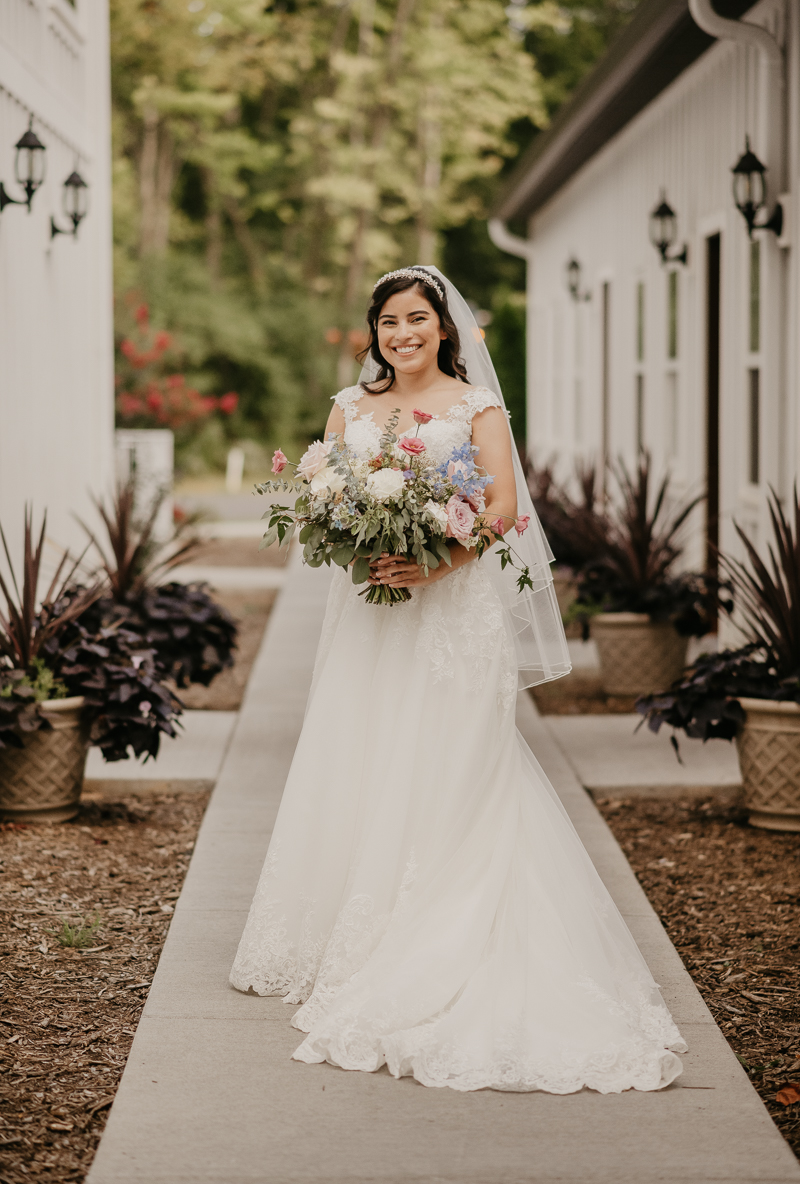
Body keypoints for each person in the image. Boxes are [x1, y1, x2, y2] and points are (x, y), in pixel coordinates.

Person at [230, 266, 686, 1093]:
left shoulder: (478, 409)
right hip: (374, 613)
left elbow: (504, 506)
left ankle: (454, 932)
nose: (402, 334)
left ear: (445, 328)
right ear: (373, 332)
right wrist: (362, 542)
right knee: (367, 753)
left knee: (456, 765)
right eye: (387, 322)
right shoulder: (349, 406)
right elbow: (323, 496)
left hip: (450, 614)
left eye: (417, 320)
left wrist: (437, 565)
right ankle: (356, 931)